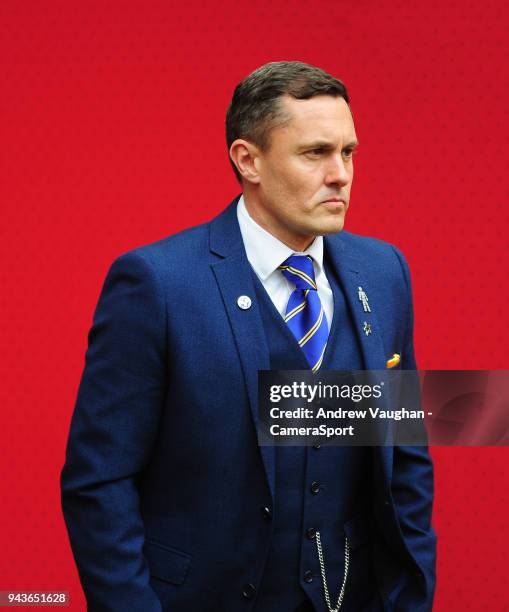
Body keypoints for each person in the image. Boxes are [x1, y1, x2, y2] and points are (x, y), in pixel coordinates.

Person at [61, 61, 436, 612]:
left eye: (348, 152)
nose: (341, 174)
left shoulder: (384, 271)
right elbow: (99, 482)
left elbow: (405, 458)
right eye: (315, 153)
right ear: (248, 160)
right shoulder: (157, 284)